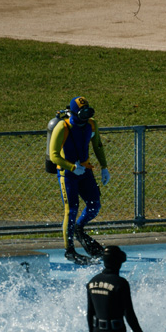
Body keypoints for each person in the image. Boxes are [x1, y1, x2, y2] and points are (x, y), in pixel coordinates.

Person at [48, 96, 110, 264]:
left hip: (85, 171)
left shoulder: (91, 124)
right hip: (67, 174)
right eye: (82, 114)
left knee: (94, 205)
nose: (86, 118)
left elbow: (97, 145)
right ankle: (70, 250)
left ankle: (78, 228)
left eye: (88, 113)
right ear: (74, 113)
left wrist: (104, 167)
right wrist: (72, 167)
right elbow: (54, 156)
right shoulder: (63, 127)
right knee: (72, 209)